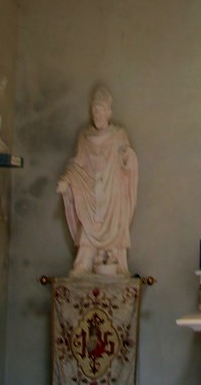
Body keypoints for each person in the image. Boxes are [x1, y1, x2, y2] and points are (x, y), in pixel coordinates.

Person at [58, 86, 139, 276]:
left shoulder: (118, 134)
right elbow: (77, 164)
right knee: (88, 223)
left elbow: (128, 160)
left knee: (115, 223)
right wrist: (66, 180)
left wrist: (128, 157)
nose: (97, 114)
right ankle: (85, 262)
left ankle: (115, 262)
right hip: (91, 188)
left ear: (108, 112)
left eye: (101, 110)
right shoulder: (85, 137)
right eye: (94, 110)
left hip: (113, 189)